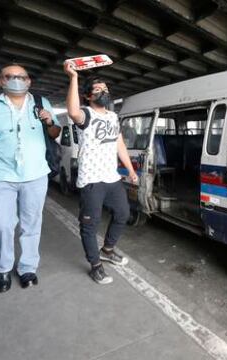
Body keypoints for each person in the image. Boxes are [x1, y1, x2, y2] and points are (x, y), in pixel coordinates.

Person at [0, 63, 61, 293]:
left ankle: (28, 267)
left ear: (29, 81)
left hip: (36, 175)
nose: (16, 80)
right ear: (0, 81)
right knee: (0, 223)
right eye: (10, 76)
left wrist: (48, 121)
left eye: (21, 77)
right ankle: (2, 268)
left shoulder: (41, 103)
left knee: (31, 224)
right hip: (2, 176)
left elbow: (55, 133)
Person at [64, 61, 138, 285]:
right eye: (97, 90)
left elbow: (120, 145)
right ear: (88, 96)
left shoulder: (113, 117)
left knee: (123, 214)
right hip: (92, 180)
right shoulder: (86, 114)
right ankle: (95, 265)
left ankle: (107, 249)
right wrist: (73, 78)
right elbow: (73, 111)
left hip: (112, 177)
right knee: (90, 224)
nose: (103, 92)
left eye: (105, 89)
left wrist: (131, 171)